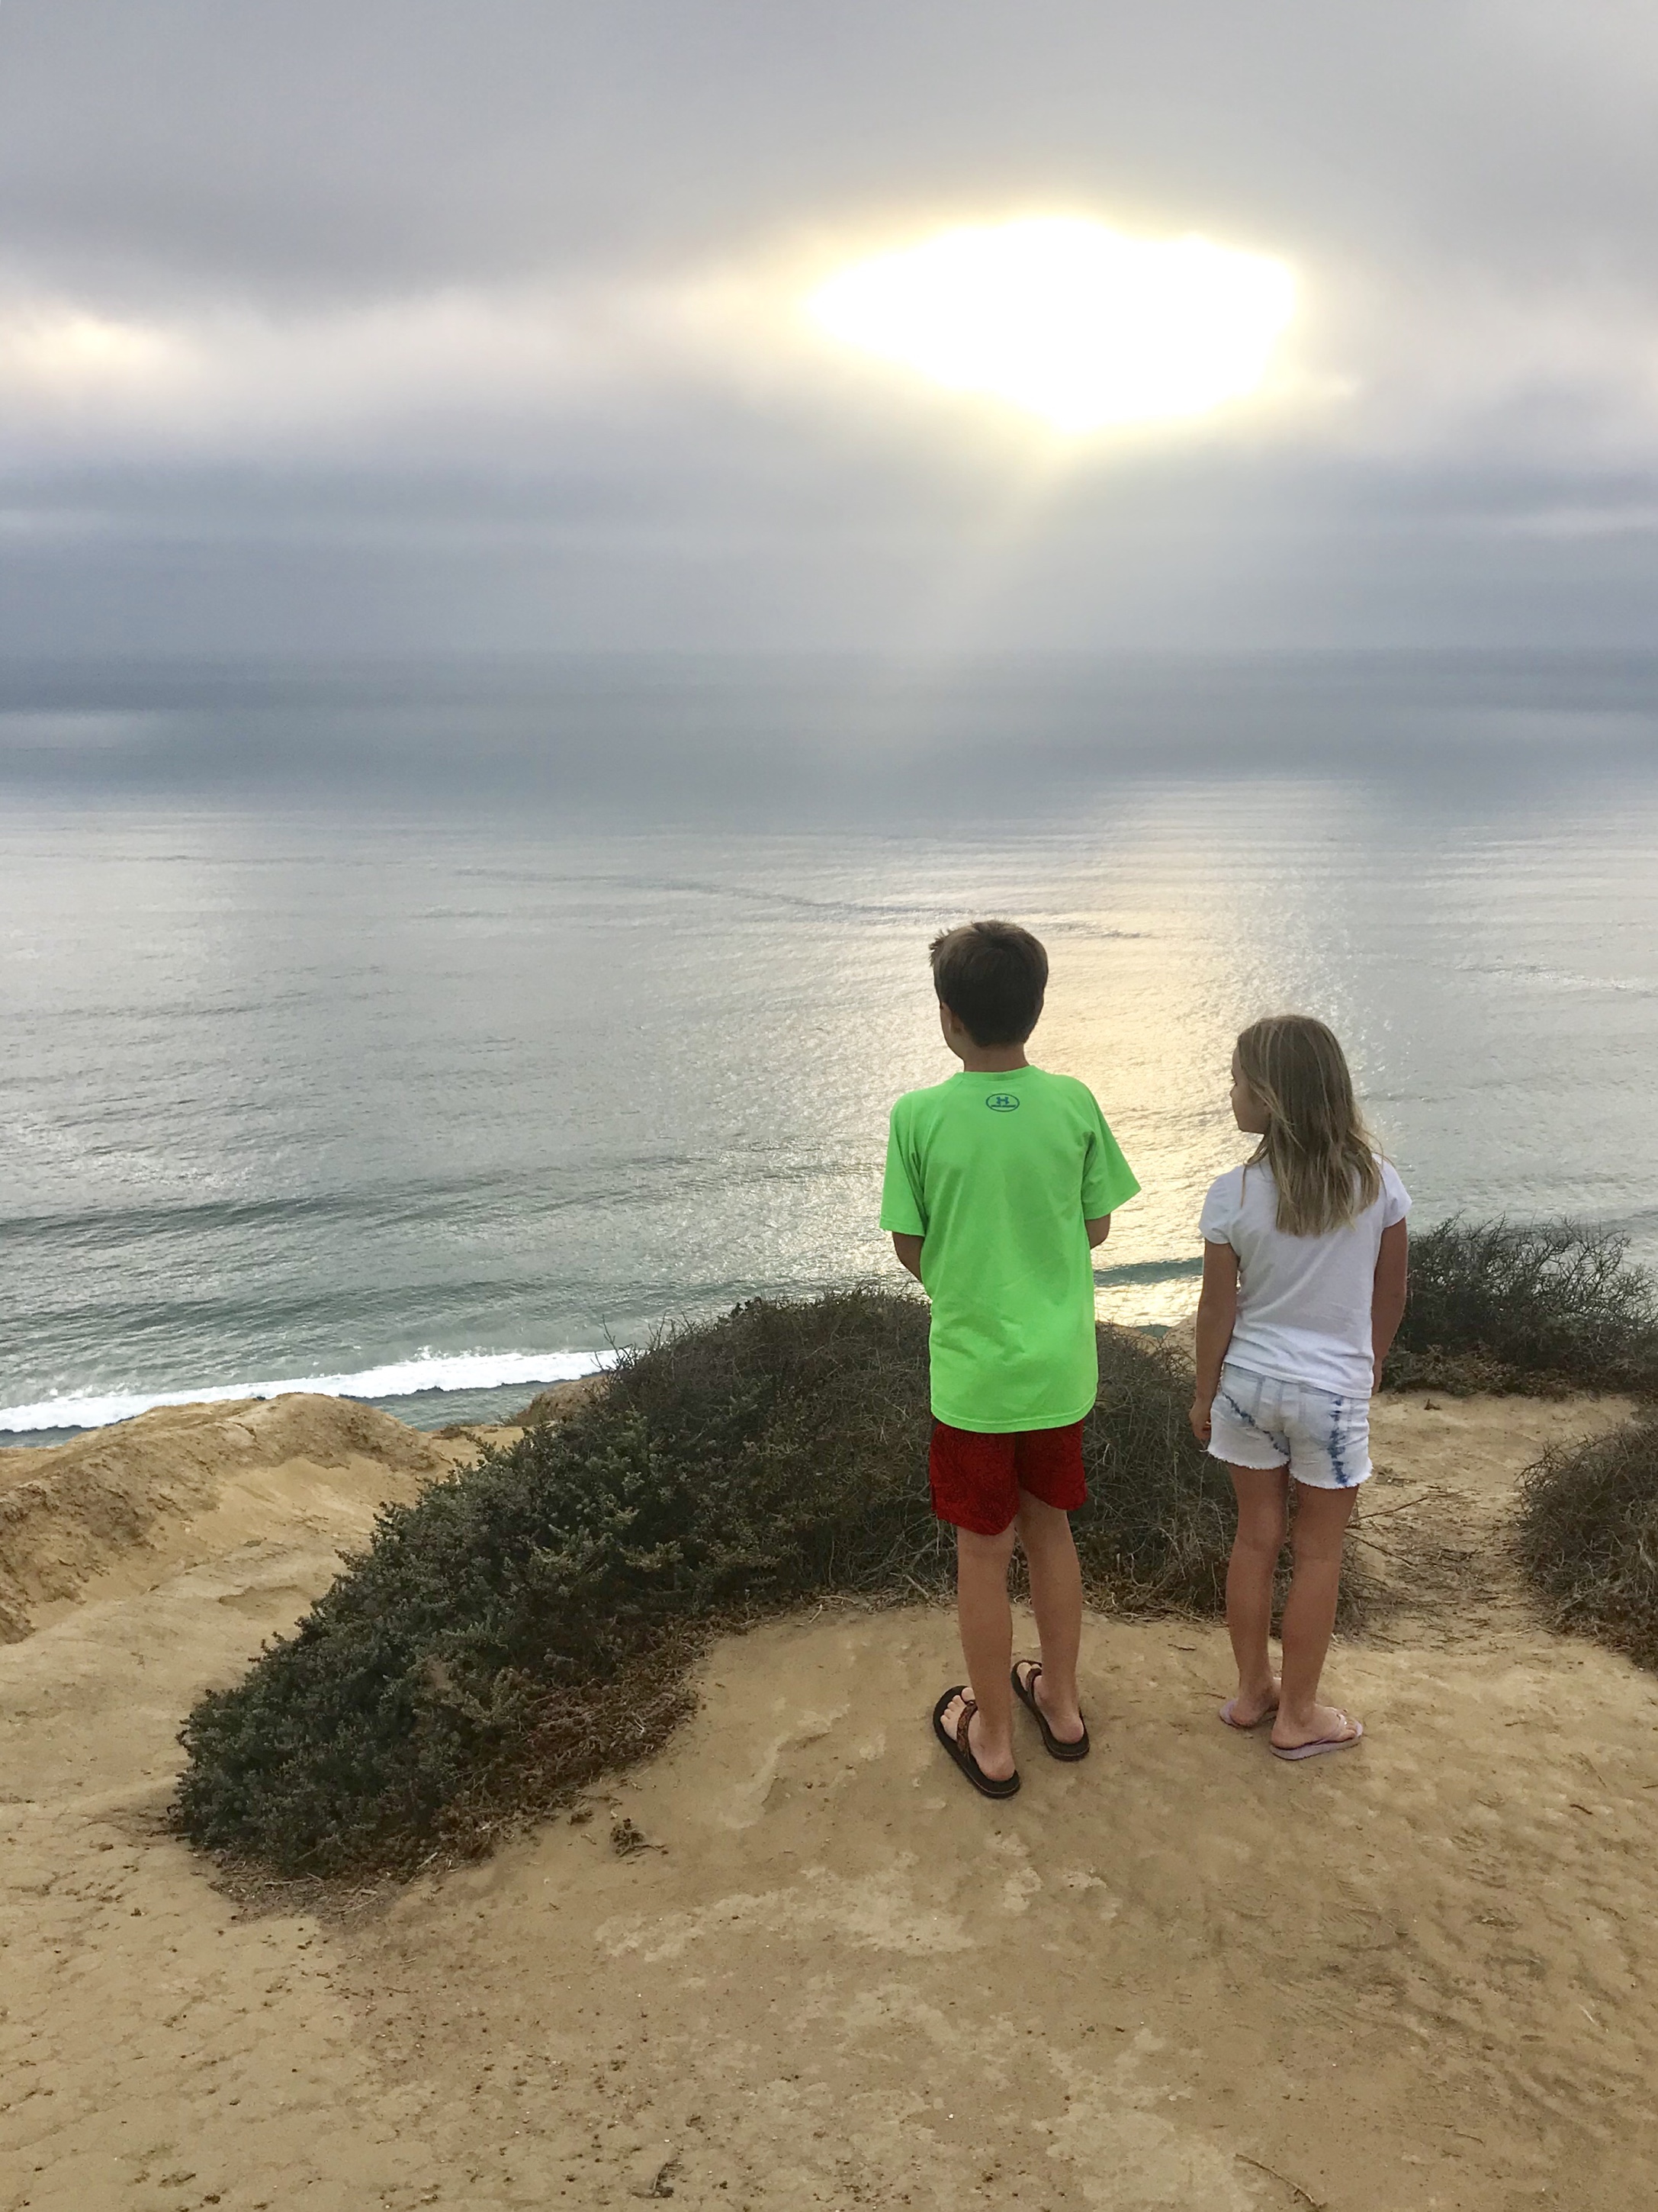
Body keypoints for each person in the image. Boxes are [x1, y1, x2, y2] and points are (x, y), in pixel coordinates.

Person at [881, 920, 1139, 1798]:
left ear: (947, 1016)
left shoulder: (917, 1115)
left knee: (981, 1552)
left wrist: (964, 1281)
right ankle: (1059, 1704)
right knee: (1049, 1530)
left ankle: (992, 1735)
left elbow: (908, 1243)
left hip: (973, 1378)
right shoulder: (1072, 1101)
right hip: (1058, 1370)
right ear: (1034, 1007)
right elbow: (1095, 1224)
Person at [1190, 1014, 1409, 1761]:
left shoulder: (1232, 1192)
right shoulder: (1376, 1183)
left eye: (1237, 1081)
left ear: (1271, 1097)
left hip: (1248, 1386)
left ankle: (1254, 1691)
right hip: (1330, 1394)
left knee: (1255, 1539)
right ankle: (1300, 1715)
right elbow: (1390, 1295)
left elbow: (1216, 1309)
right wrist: (1368, 1366)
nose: (1229, 1093)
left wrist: (1203, 1393)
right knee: (1318, 1554)